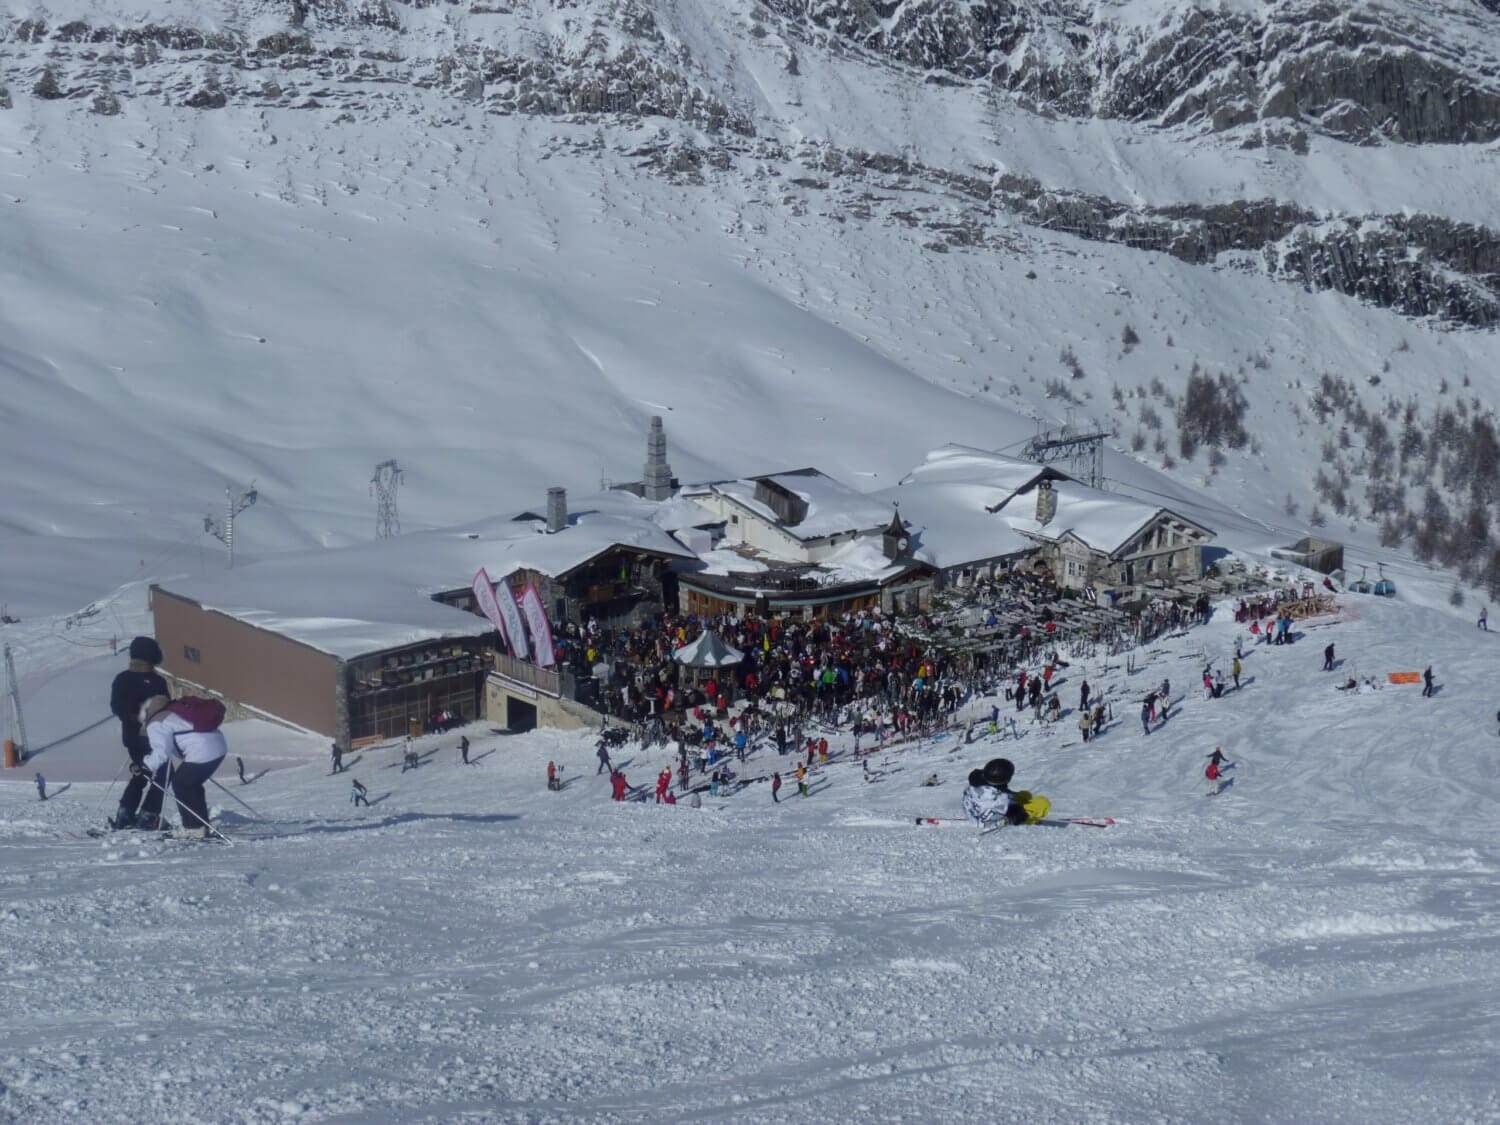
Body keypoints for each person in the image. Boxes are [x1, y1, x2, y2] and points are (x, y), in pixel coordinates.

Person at [138, 694, 227, 839]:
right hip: (218, 746)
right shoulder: (173, 714)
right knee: (190, 785)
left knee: (182, 785)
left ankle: (195, 829)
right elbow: (182, 739)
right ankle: (200, 827)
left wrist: (146, 765)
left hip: (204, 750)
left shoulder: (157, 723)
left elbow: (161, 753)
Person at [108, 636, 170, 831]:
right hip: (145, 736)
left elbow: (117, 706)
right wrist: (139, 718)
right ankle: (148, 814)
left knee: (141, 773)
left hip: (137, 736)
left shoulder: (124, 678)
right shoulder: (154, 681)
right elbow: (119, 707)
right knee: (164, 773)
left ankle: (125, 812)